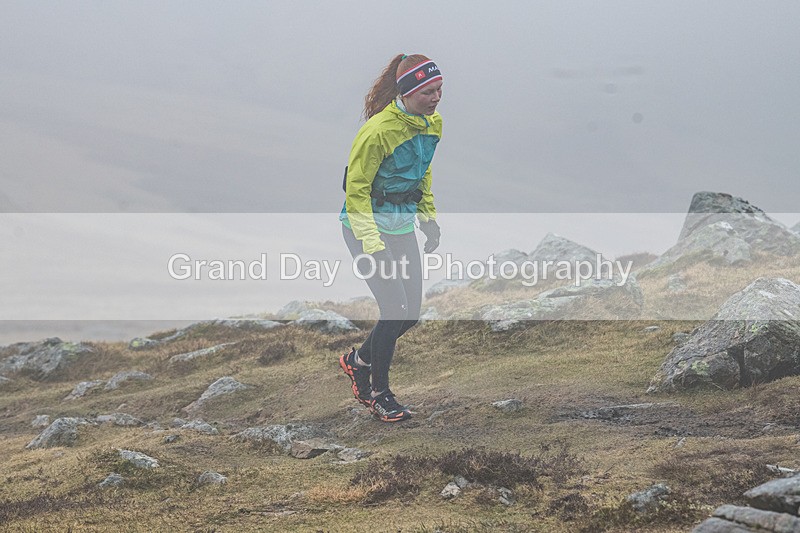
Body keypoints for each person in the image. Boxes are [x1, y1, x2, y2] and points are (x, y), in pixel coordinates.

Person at [338, 53, 444, 422]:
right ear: (408, 91)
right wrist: (373, 243)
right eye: (428, 91)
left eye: (439, 90)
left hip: (401, 227)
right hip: (364, 229)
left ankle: (357, 360)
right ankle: (379, 394)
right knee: (394, 309)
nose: (435, 98)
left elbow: (422, 175)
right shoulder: (377, 132)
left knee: (410, 314)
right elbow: (356, 192)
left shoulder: (432, 125)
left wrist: (428, 220)